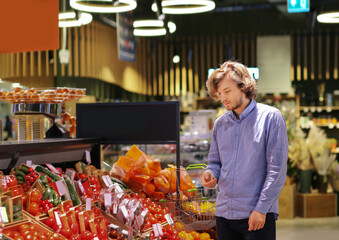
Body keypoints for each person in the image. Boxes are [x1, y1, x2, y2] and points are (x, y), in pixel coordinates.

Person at [201, 60, 288, 240]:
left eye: (227, 91)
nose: (223, 98)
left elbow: (276, 172)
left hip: (256, 215)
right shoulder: (220, 124)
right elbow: (215, 162)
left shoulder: (271, 118)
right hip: (224, 215)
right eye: (219, 93)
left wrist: (261, 209)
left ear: (244, 86)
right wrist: (211, 174)